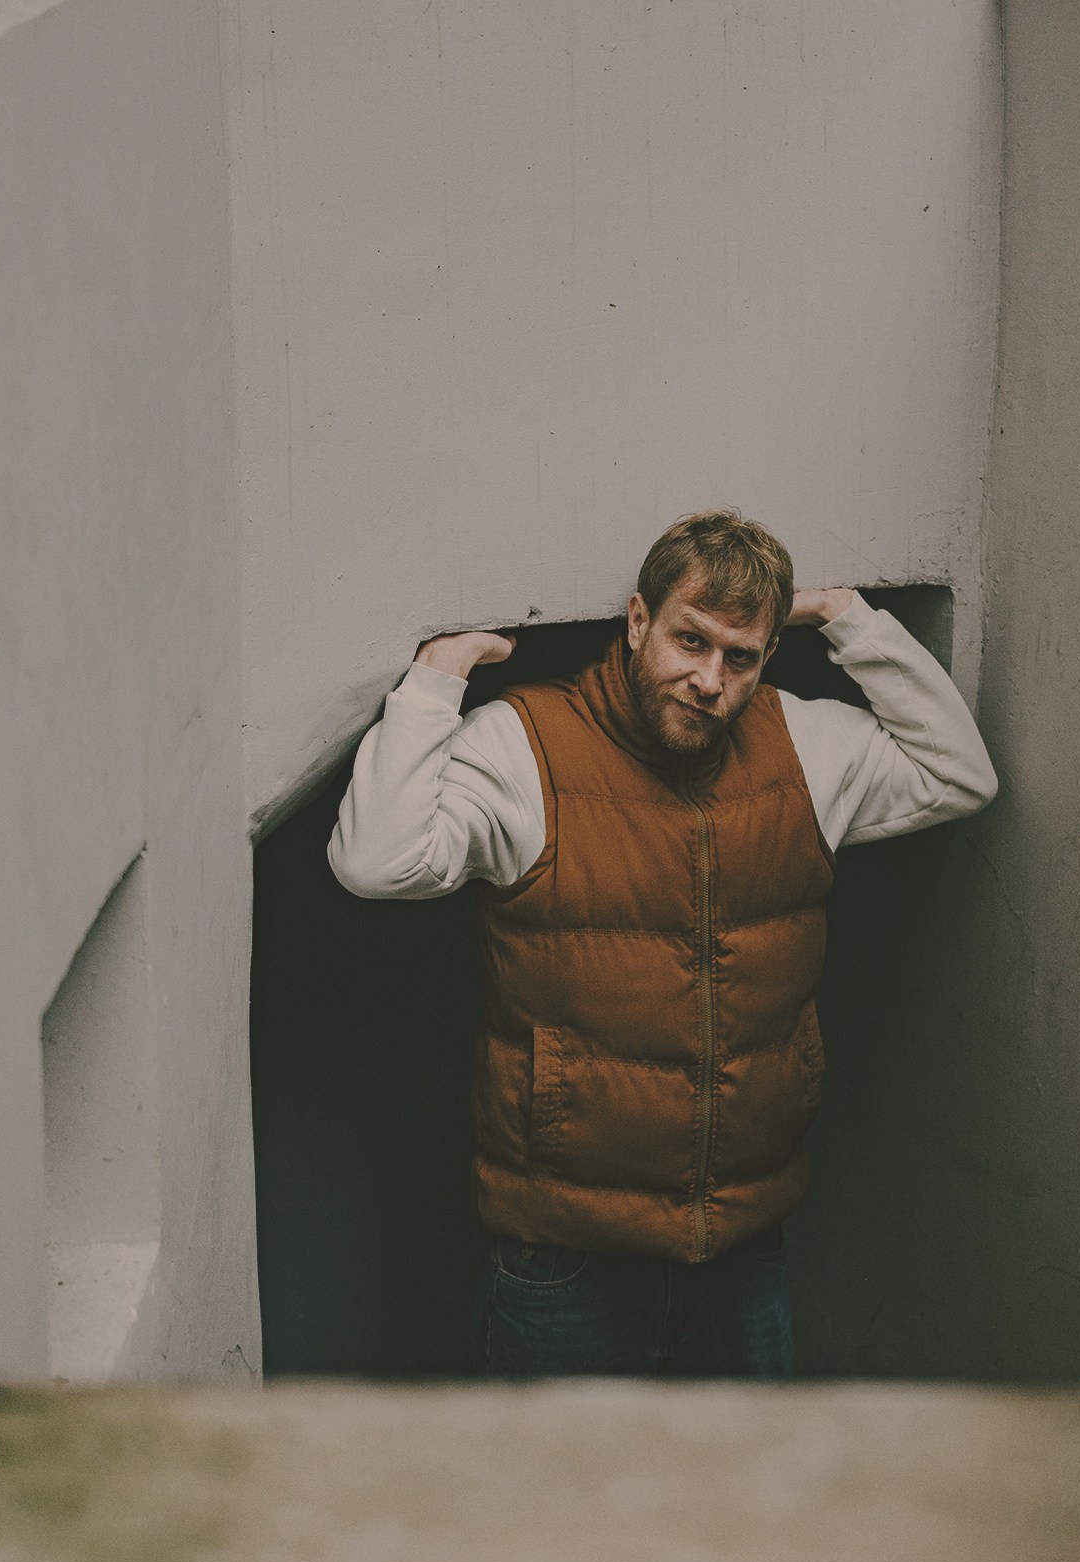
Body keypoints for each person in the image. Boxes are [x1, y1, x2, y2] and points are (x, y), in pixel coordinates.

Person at [330, 509, 996, 1380]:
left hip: (744, 1248)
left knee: (742, 1475)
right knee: (558, 1476)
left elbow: (959, 775)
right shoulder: (527, 746)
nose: (709, 680)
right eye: (691, 640)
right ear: (638, 620)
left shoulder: (803, 746)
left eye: (740, 657)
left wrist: (848, 619)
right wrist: (435, 679)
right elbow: (376, 863)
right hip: (566, 1259)